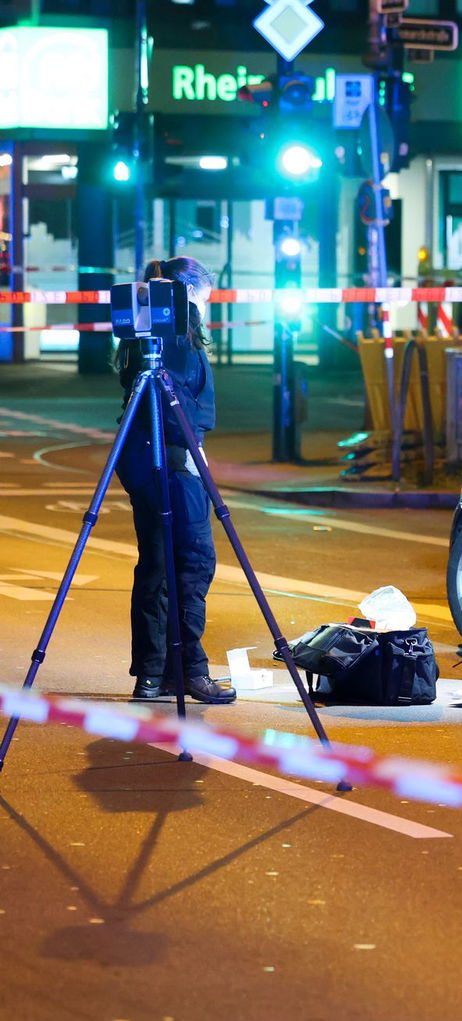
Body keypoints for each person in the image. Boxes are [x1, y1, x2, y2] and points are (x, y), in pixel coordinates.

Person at [115, 256, 235, 705]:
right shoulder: (179, 337)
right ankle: (188, 670)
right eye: (203, 299)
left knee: (156, 564)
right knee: (193, 562)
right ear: (188, 294)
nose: (205, 309)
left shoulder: (142, 332)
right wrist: (191, 453)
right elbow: (175, 403)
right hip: (173, 456)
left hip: (140, 456)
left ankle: (152, 673)